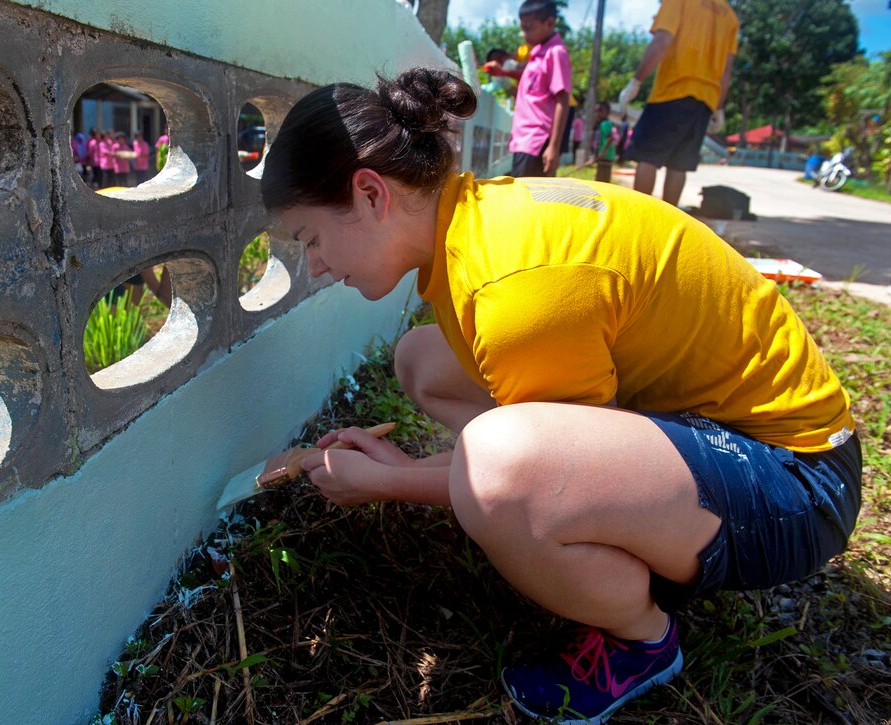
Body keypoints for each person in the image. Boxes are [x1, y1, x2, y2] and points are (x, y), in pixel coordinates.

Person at [259, 67, 861, 724]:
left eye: (311, 237)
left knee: (497, 466)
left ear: (371, 194)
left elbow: (505, 473)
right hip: (722, 430)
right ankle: (620, 530)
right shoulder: (475, 222)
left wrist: (392, 481)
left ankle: (641, 638)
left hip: (797, 485)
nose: (315, 264)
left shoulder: (512, 296)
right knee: (421, 360)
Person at [618, 0, 738, 205]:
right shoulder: (729, 16)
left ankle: (640, 218)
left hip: (673, 90)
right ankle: (669, 222)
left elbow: (662, 41)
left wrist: (635, 82)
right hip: (705, 100)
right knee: (679, 165)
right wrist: (718, 107)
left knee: (648, 157)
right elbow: (726, 71)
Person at [507, 0, 571, 177]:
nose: (524, 33)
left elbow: (562, 100)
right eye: (522, 28)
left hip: (536, 140)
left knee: (528, 201)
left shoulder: (555, 53)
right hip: (523, 140)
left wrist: (553, 147)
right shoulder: (537, 53)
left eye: (529, 28)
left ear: (549, 23)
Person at [592, 100, 616, 183]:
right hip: (603, 156)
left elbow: (610, 139)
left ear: (607, 112)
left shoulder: (605, 124)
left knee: (602, 179)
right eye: (596, 111)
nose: (597, 113)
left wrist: (602, 152)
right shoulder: (600, 124)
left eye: (600, 111)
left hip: (606, 156)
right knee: (600, 178)